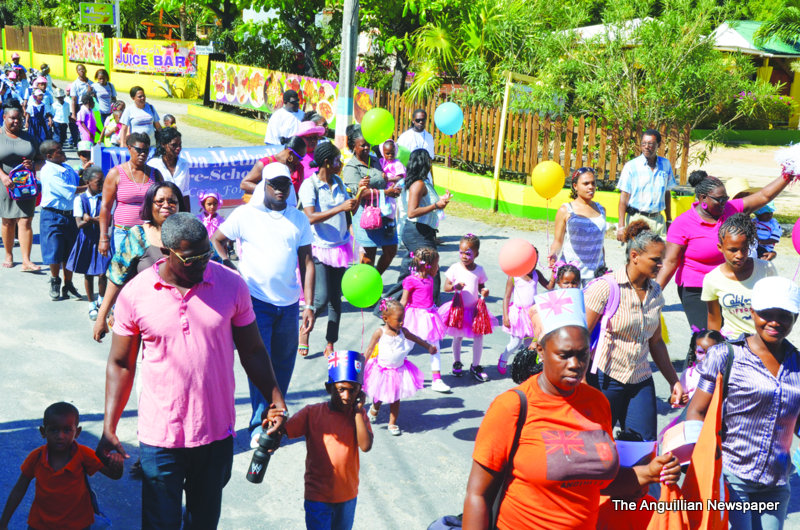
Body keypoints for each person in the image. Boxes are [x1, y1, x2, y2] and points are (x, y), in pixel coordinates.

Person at [96, 213, 288, 528]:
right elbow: (120, 363)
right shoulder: (135, 294)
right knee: (160, 523)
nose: (201, 263)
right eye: (191, 258)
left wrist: (274, 398)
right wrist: (109, 428)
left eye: (206, 254)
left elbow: (252, 350)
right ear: (168, 252)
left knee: (203, 522)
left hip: (215, 433)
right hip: (160, 436)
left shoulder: (232, 285)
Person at [463, 288, 681, 529]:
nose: (575, 365)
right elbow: (478, 495)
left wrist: (648, 472)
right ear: (541, 352)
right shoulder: (512, 406)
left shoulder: (597, 403)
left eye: (582, 354)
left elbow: (597, 480)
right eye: (564, 355)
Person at [211, 164, 316, 445]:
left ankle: (275, 418)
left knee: (283, 363)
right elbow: (218, 239)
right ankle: (259, 424)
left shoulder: (298, 219)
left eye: (285, 184)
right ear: (264, 185)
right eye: (274, 184)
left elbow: (307, 262)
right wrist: (229, 267)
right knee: (260, 364)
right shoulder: (245, 215)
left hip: (291, 304)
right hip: (255, 302)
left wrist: (310, 305)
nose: (280, 189)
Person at [687, 276, 800, 530]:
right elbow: (696, 411)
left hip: (777, 483)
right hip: (731, 476)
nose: (775, 322)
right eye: (767, 313)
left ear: (795, 318)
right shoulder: (725, 355)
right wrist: (705, 459)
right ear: (752, 312)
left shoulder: (798, 364)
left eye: (785, 315)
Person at [584, 221, 686, 441]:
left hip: (640, 378)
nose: (661, 265)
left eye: (663, 260)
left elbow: (656, 341)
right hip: (605, 378)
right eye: (655, 260)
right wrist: (581, 381)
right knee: (597, 444)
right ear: (634, 256)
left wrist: (673, 381)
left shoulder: (656, 292)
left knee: (644, 444)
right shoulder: (605, 288)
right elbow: (580, 337)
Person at [656, 170, 790, 330]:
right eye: (719, 200)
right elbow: (670, 262)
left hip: (729, 283)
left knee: (733, 334)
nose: (724, 203)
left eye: (725, 199)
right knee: (706, 337)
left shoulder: (730, 208)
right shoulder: (683, 223)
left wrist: (788, 174)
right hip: (697, 287)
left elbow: (764, 196)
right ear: (702, 198)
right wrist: (653, 294)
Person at [283, 350, 373, 529]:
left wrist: (357, 412)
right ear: (329, 388)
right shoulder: (311, 413)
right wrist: (274, 419)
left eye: (353, 390)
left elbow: (366, 445)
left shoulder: (358, 415)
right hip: (318, 496)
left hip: (347, 496)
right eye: (341, 389)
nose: (347, 396)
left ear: (359, 393)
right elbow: (286, 430)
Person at [0, 402, 123, 530]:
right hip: (41, 524)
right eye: (53, 430)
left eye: (67, 430)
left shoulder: (83, 455)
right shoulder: (36, 457)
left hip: (77, 525)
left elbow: (113, 475)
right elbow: (18, 490)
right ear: (43, 432)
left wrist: (117, 465)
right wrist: (3, 522)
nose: (60, 436)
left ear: (77, 432)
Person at [92, 182, 186, 341]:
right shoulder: (138, 235)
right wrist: (102, 315)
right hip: (145, 318)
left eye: (172, 201)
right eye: (160, 201)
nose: (166, 205)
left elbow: (214, 268)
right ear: (150, 205)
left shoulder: (191, 234)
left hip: (184, 318)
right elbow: (116, 277)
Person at [297, 142, 357, 358]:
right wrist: (339, 207)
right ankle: (304, 331)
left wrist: (356, 202)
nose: (340, 163)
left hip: (340, 246)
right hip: (319, 248)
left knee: (335, 300)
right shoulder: (309, 185)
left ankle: (331, 342)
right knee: (321, 298)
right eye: (337, 160)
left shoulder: (339, 181)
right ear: (326, 163)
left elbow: (347, 212)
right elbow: (310, 217)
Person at [384, 149, 451, 305]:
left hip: (423, 231)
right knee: (431, 269)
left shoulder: (424, 182)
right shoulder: (418, 184)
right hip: (417, 232)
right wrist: (436, 205)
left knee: (411, 271)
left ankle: (389, 307)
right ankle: (431, 307)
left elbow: (428, 205)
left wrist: (441, 202)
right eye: (428, 161)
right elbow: (412, 212)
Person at [364, 299, 436, 435]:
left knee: (395, 398)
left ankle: (392, 423)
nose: (402, 322)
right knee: (379, 393)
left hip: (398, 371)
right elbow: (369, 349)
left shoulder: (403, 331)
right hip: (381, 370)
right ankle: (375, 407)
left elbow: (416, 338)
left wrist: (428, 347)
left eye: (403, 319)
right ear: (385, 318)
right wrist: (363, 364)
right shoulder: (380, 332)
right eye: (398, 319)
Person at [702, 213, 777, 339]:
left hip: (762, 341)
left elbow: (777, 310)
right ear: (720, 248)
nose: (740, 255)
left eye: (744, 249)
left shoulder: (766, 270)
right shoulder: (712, 279)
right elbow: (714, 319)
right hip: (733, 343)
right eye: (733, 250)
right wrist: (713, 347)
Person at [342, 126, 401, 274]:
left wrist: (393, 186)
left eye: (368, 144)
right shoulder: (351, 168)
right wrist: (386, 192)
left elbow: (387, 176)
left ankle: (375, 279)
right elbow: (362, 193)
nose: (367, 148)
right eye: (362, 145)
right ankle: (367, 286)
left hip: (385, 213)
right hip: (366, 216)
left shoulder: (376, 160)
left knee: (391, 250)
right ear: (353, 147)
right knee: (369, 256)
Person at [438, 233, 496, 382]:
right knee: (457, 336)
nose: (464, 256)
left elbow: (481, 286)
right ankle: (456, 362)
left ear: (476, 254)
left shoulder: (480, 270)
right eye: (461, 252)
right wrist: (454, 286)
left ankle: (475, 365)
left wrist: (484, 292)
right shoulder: (455, 268)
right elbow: (446, 287)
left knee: (478, 336)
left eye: (468, 253)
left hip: (475, 311)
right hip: (458, 310)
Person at [98, 132, 164, 256]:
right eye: (139, 150)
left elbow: (162, 205)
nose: (143, 154)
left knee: (147, 272)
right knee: (123, 273)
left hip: (148, 234)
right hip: (123, 233)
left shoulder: (155, 174)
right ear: (129, 148)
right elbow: (105, 207)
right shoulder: (115, 173)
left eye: (146, 150)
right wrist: (103, 237)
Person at [38, 140, 84, 301]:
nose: (62, 151)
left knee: (70, 252)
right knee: (55, 250)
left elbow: (77, 182)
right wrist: (91, 186)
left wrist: (84, 173)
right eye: (58, 150)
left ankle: (69, 284)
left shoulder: (67, 167)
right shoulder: (48, 171)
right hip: (53, 215)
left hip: (70, 214)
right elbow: (68, 191)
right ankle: (55, 280)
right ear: (49, 156)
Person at [400, 246, 450, 392]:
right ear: (427, 266)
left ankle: (437, 379)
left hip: (429, 316)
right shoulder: (410, 281)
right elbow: (403, 301)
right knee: (407, 345)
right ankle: (396, 369)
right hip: (414, 317)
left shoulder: (430, 278)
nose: (438, 267)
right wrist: (398, 319)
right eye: (436, 264)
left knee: (435, 346)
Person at [67, 166, 110, 321]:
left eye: (103, 182)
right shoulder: (79, 199)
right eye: (98, 182)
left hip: (101, 238)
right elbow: (79, 223)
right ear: (87, 182)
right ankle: (91, 303)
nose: (101, 185)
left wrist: (90, 219)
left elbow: (108, 219)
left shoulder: (104, 198)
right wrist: (94, 219)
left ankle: (102, 300)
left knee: (103, 272)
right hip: (86, 240)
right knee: (88, 272)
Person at [548, 167, 607, 283]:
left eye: (593, 183)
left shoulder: (601, 210)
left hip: (595, 274)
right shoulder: (566, 210)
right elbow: (558, 241)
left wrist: (603, 266)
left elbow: (600, 242)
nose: (591, 187)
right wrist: (554, 254)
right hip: (571, 275)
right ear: (575, 186)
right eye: (586, 183)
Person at [616, 129, 676, 238]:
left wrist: (669, 219)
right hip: (637, 220)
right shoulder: (631, 166)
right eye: (644, 143)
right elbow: (624, 197)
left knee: (660, 254)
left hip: (658, 222)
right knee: (637, 254)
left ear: (658, 145)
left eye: (650, 144)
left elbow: (667, 194)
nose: (646, 147)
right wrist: (621, 226)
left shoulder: (665, 165)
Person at [0, 103, 39, 271]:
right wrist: (3, 176)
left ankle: (26, 261)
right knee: (8, 221)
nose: (16, 121)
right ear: (4, 118)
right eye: (12, 118)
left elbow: (41, 159)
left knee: (26, 220)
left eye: (19, 118)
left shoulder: (29, 136)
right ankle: (8, 255)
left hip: (26, 184)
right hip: (5, 183)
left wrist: (33, 164)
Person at [498, 262, 549, 375]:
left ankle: (527, 366)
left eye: (535, 263)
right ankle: (504, 357)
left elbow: (549, 286)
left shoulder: (536, 274)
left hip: (531, 314)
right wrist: (505, 316)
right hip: (518, 314)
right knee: (515, 343)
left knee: (530, 344)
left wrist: (555, 274)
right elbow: (506, 297)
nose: (533, 266)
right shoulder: (514, 276)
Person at [241, 137, 306, 207]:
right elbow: (244, 184)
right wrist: (268, 190)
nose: (300, 161)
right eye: (300, 158)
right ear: (290, 153)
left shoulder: (299, 168)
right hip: (262, 207)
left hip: (286, 211)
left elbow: (297, 194)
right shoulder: (265, 163)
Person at [147, 127, 190, 210]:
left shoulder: (184, 164)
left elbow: (185, 193)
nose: (178, 148)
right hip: (160, 211)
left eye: (180, 145)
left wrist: (187, 218)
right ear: (163, 144)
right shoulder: (153, 164)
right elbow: (150, 194)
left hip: (178, 212)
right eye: (174, 145)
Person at [678, 328, 723, 401]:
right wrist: (679, 400)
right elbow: (678, 398)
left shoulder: (725, 375)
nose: (705, 357)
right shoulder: (689, 375)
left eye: (711, 353)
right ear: (695, 352)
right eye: (701, 352)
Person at [70, 64, 92, 147]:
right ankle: (81, 144)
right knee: (81, 127)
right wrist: (73, 113)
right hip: (80, 106)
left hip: (90, 107)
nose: (82, 71)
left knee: (90, 125)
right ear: (77, 72)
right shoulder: (75, 84)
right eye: (79, 70)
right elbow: (74, 99)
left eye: (83, 69)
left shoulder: (91, 83)